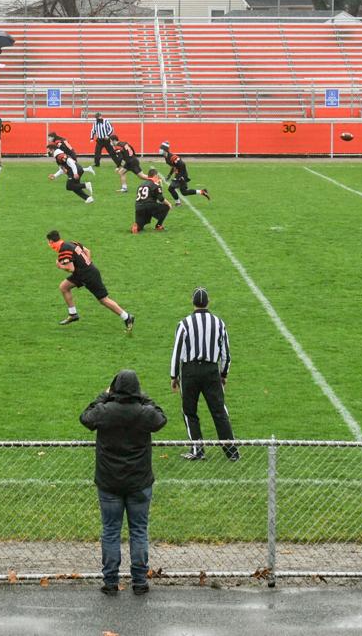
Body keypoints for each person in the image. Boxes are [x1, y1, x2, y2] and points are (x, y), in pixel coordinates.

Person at [79, 369, 167, 596]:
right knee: (139, 531)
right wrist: (143, 397)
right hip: (139, 482)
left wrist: (104, 395)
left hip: (109, 482)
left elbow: (85, 416)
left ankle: (110, 581)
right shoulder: (144, 412)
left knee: (110, 531)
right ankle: (139, 581)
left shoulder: (105, 411)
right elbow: (160, 416)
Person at [170, 287, 238, 461]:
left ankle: (197, 450)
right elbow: (226, 354)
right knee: (219, 411)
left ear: (193, 303)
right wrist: (224, 374)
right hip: (210, 371)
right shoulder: (219, 323)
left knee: (189, 411)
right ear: (208, 302)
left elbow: (177, 352)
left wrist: (174, 376)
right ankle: (231, 452)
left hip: (190, 371)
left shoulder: (184, 323)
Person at [47, 230, 134, 332]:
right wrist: (87, 264)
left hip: (88, 276)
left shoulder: (64, 250)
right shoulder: (71, 243)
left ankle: (127, 317)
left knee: (103, 300)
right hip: (82, 273)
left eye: (48, 242)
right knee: (64, 287)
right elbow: (87, 251)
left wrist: (60, 266)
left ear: (51, 241)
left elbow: (70, 268)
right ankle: (73, 314)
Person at [131, 169, 170, 233]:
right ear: (155, 176)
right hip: (148, 206)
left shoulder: (141, 184)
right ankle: (158, 226)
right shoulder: (155, 184)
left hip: (138, 207)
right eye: (157, 176)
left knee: (140, 227)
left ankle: (136, 226)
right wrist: (169, 204)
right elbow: (161, 199)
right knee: (166, 207)